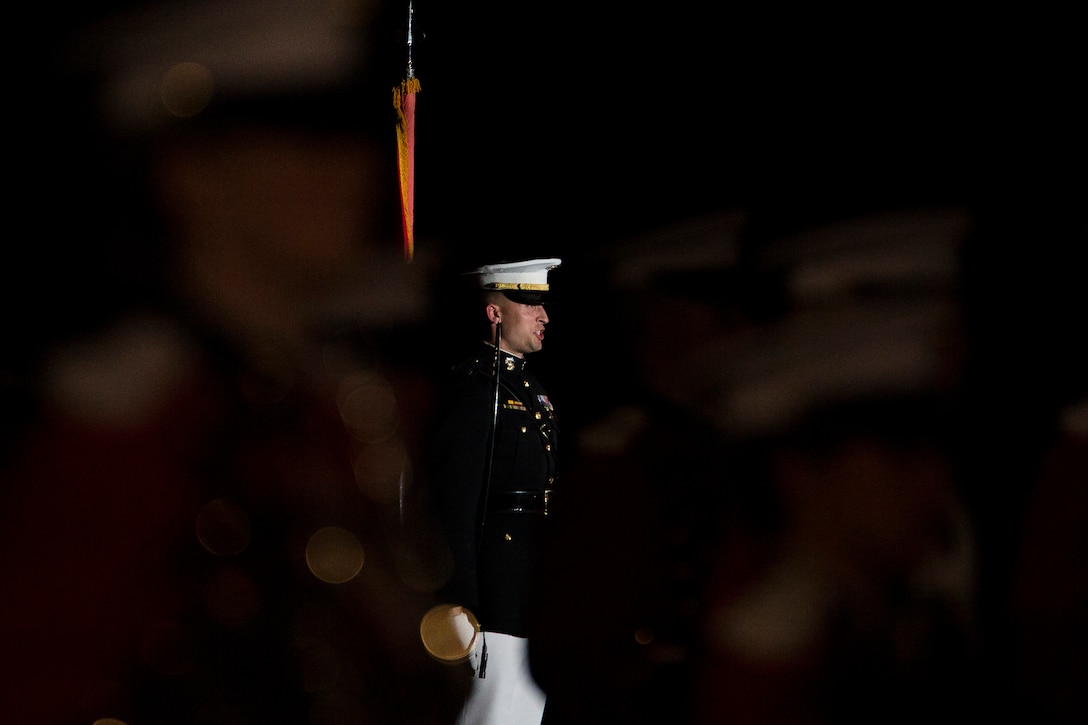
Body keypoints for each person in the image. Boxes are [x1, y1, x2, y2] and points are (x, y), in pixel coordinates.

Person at [0, 1, 467, 722]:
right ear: (187, 172)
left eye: (352, 136)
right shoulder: (120, 425)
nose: (356, 168)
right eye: (301, 140)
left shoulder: (361, 398)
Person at [424, 258, 562, 724]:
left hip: (529, 596)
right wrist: (459, 604)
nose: (544, 316)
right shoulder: (476, 388)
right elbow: (453, 501)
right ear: (495, 313)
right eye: (530, 304)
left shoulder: (530, 388)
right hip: (492, 605)